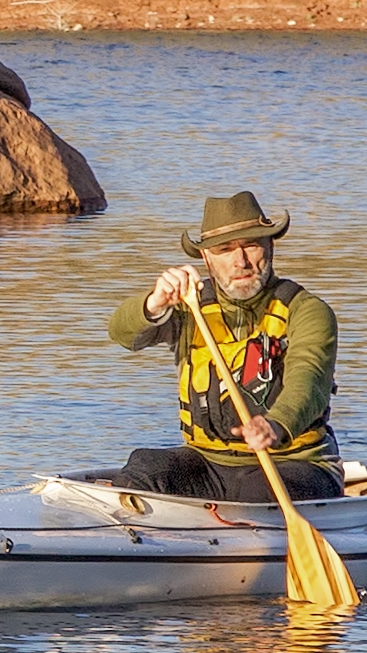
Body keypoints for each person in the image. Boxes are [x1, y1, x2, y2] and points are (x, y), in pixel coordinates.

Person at [106, 190, 340, 500]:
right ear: (206, 258)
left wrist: (275, 425)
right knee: (145, 466)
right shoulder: (188, 306)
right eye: (225, 249)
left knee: (256, 492)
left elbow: (309, 379)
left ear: (270, 246)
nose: (240, 261)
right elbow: (122, 333)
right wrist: (154, 303)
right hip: (209, 464)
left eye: (251, 245)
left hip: (294, 464)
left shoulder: (307, 310)